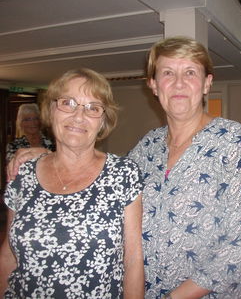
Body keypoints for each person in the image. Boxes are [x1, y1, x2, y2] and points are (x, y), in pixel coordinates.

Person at [6, 37, 241, 299]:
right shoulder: (149, 145)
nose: (178, 83)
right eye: (167, 73)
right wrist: (49, 154)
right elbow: (99, 172)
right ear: (153, 85)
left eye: (190, 72)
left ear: (207, 83)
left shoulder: (231, 140)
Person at [0, 68, 144, 298]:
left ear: (103, 121)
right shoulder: (22, 174)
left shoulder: (123, 174)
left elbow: (134, 260)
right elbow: (8, 254)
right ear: (50, 110)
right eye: (68, 102)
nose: (79, 116)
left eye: (93, 108)